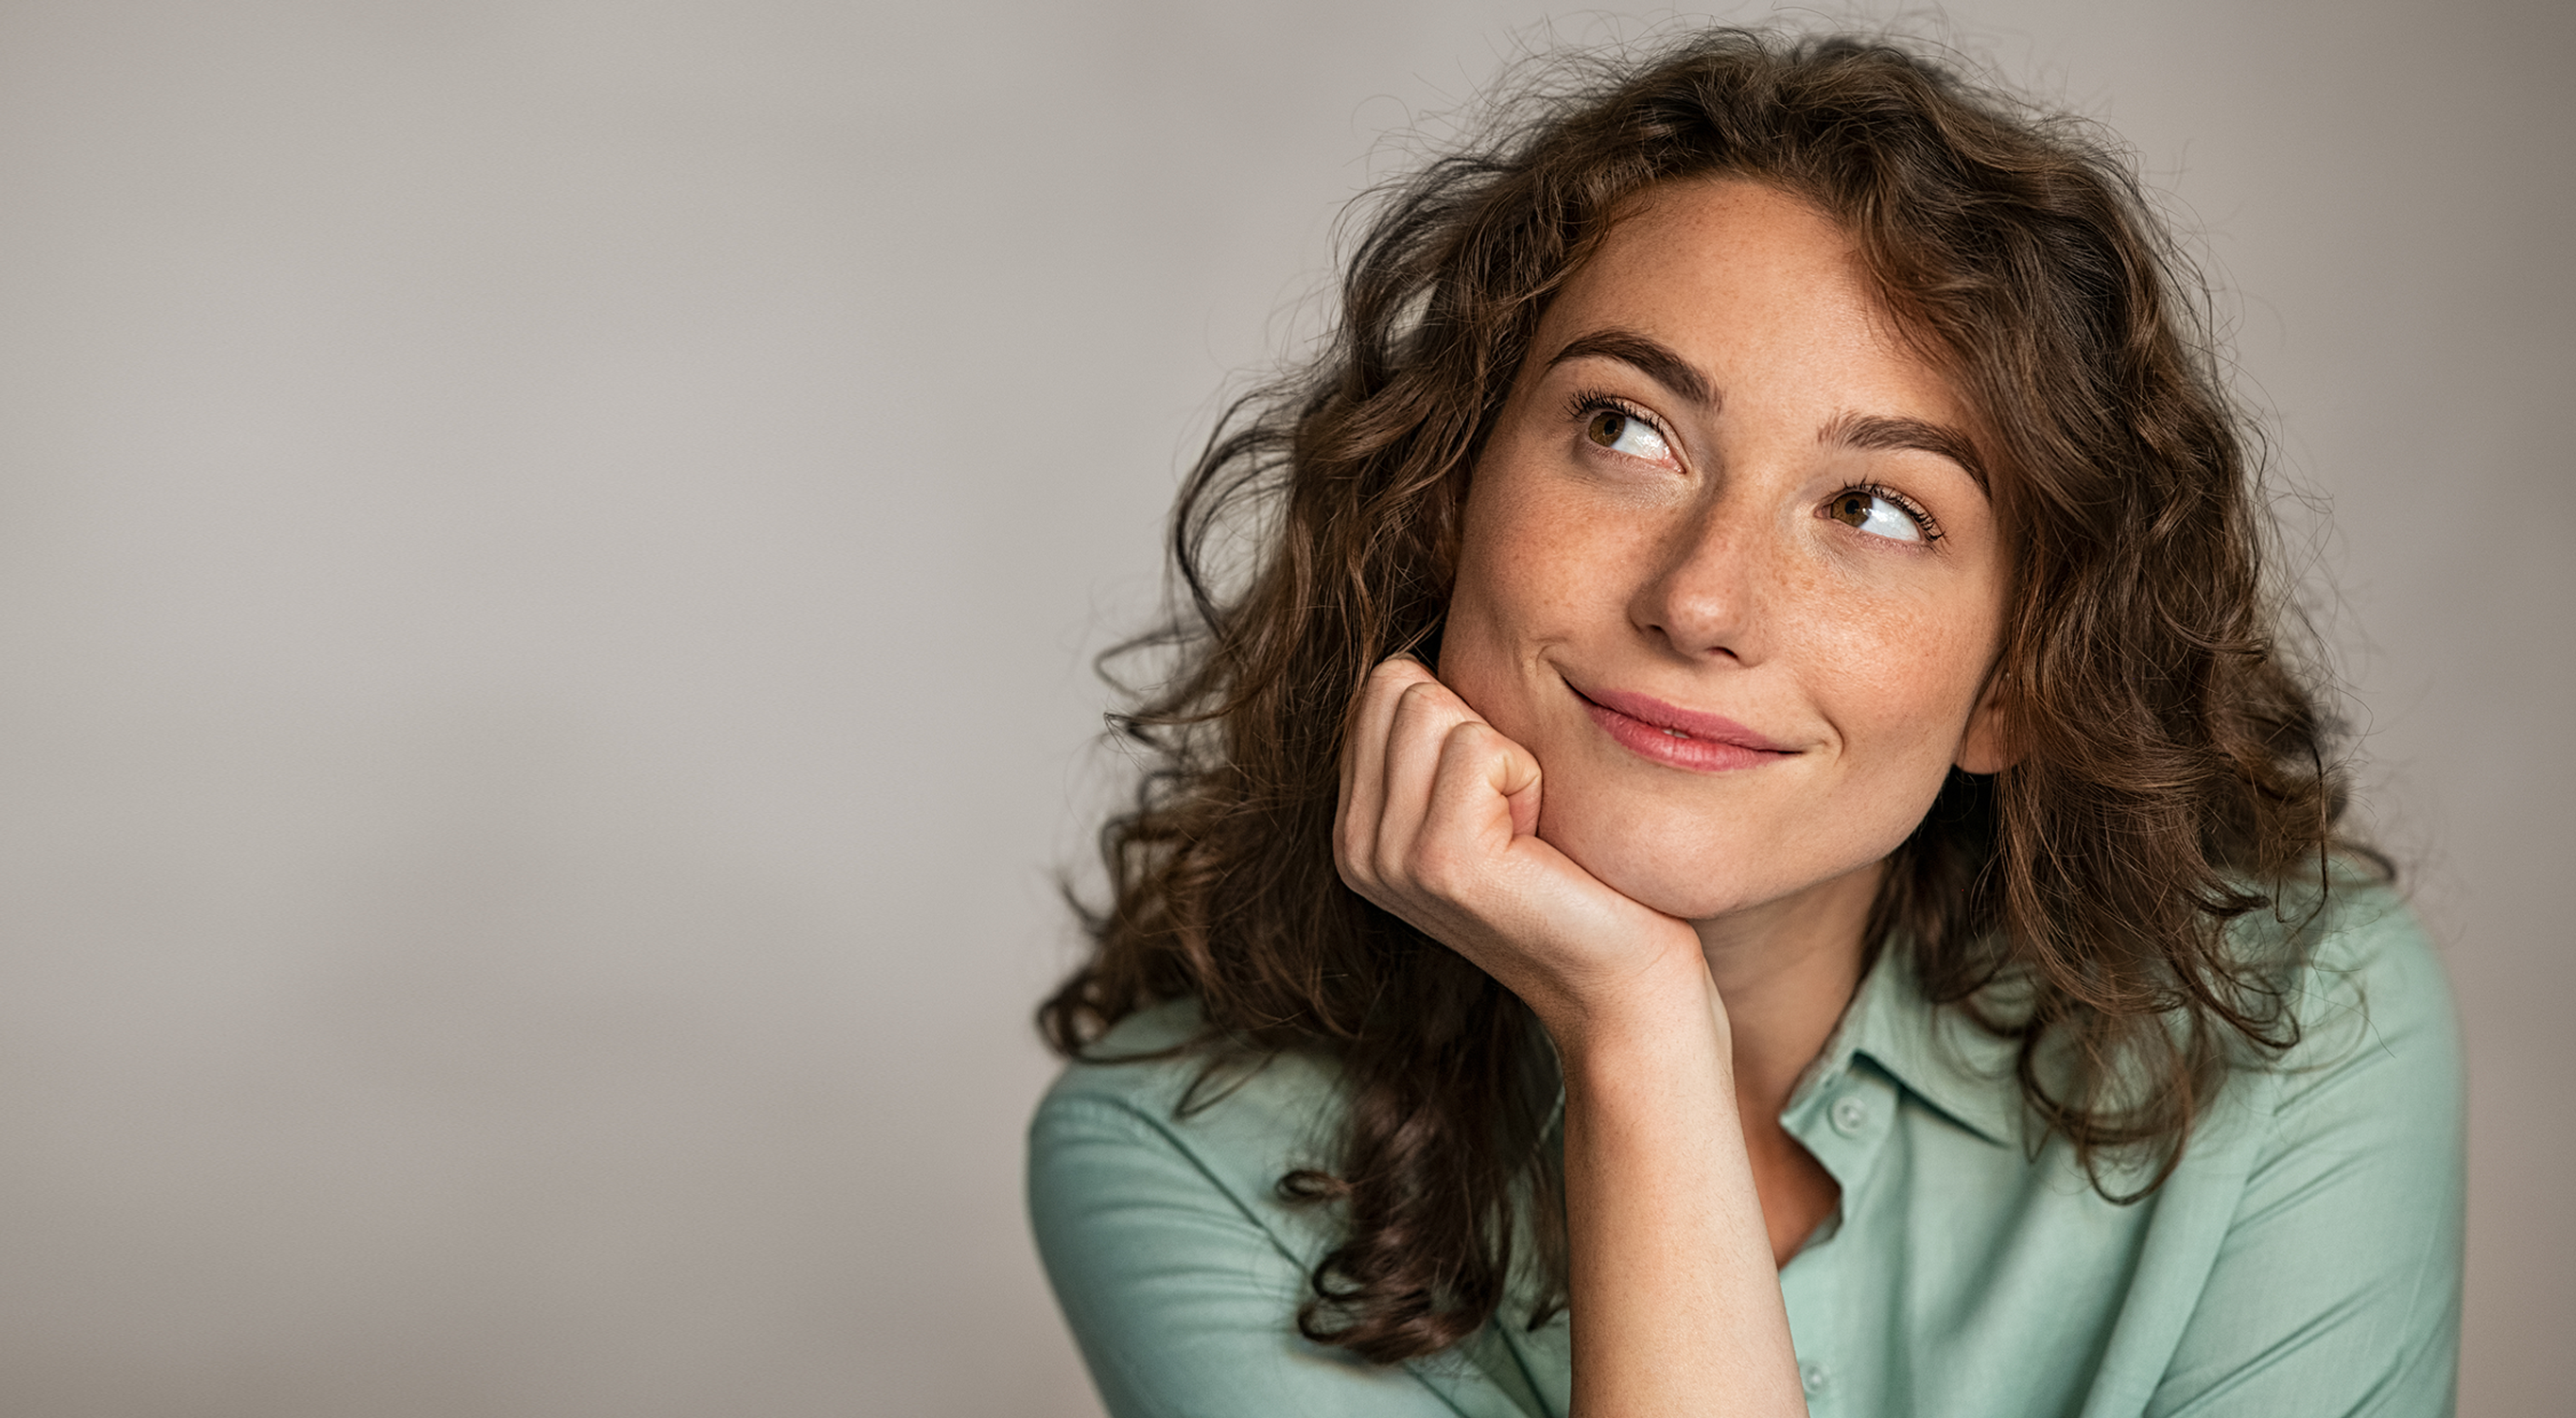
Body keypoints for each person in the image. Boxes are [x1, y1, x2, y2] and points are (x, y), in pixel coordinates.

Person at [1026, 28, 2462, 1418]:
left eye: (1879, 509)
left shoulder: (2304, 1031)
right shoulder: (1178, 1153)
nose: (1704, 603)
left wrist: (1634, 1029)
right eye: (1626, 430)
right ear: (1441, 500)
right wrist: (1640, 1031)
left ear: (2024, 681)